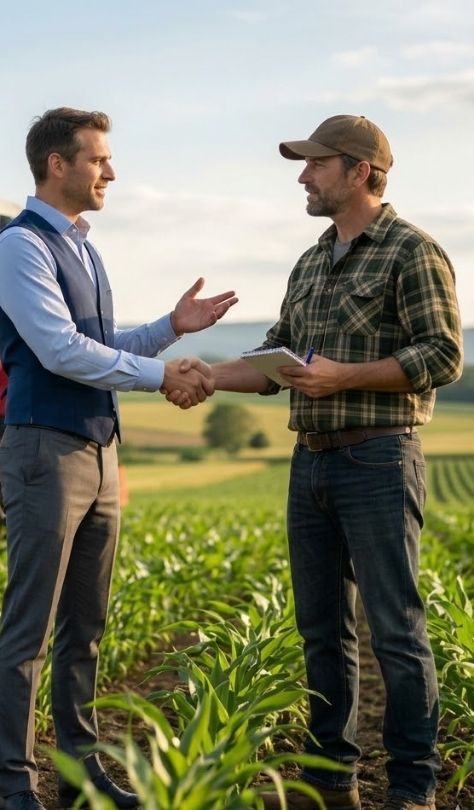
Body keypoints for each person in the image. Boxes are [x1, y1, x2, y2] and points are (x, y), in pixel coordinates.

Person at [184, 115, 462, 810]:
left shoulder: (411, 251)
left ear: (359, 171)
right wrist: (208, 377)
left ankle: (411, 786)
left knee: (394, 629)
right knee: (320, 631)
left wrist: (346, 377)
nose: (303, 176)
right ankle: (332, 779)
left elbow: (443, 356)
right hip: (309, 465)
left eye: (316, 164)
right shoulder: (310, 262)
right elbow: (274, 361)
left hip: (378, 460)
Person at [0, 106, 238, 810]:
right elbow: (61, 351)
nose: (112, 171)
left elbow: (99, 342)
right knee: (29, 629)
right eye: (99, 159)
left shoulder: (85, 249)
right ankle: (14, 788)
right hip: (44, 451)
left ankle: (79, 775)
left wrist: (167, 330)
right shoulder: (20, 246)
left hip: (98, 453)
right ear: (57, 164)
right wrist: (166, 376)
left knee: (86, 630)